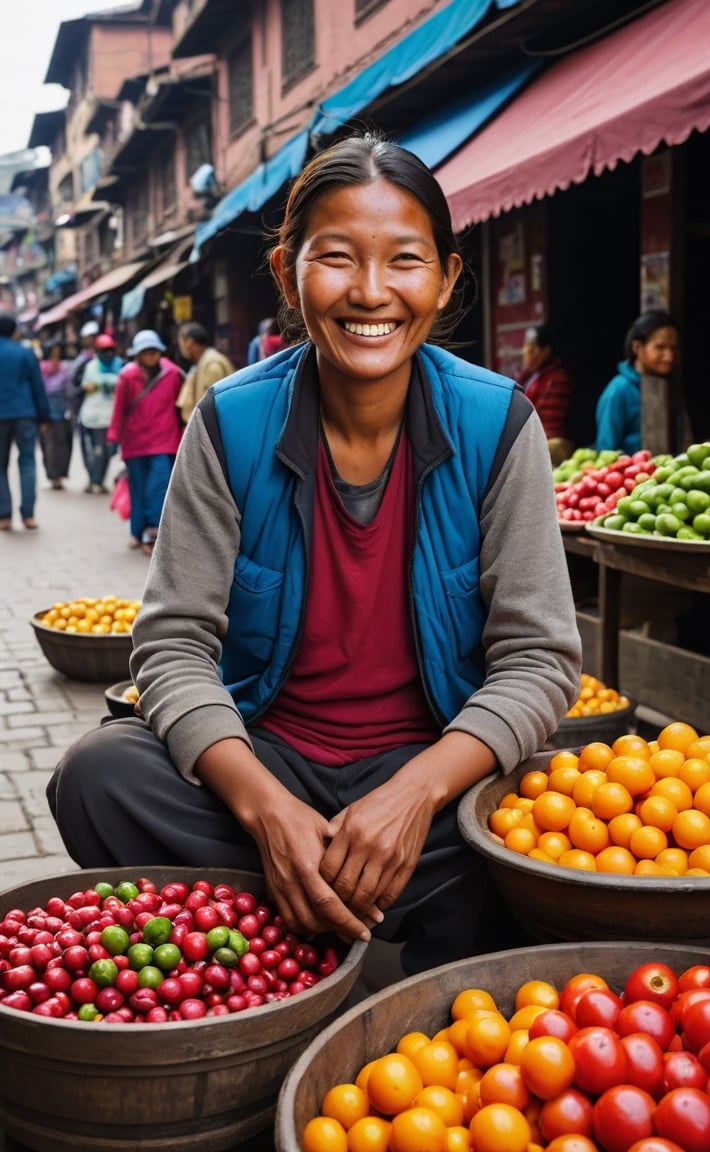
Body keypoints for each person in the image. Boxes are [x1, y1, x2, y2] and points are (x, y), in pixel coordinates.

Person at [47, 132, 581, 976]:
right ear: (288, 273)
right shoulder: (231, 421)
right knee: (100, 773)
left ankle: (287, 918)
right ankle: (311, 888)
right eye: (336, 258)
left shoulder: (498, 423)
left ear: (444, 279)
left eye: (403, 261)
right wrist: (266, 811)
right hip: (271, 754)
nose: (371, 293)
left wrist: (413, 796)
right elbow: (173, 643)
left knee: (549, 816)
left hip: (432, 770)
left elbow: (540, 657)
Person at [107, 329, 184, 553]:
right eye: (146, 353)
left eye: (154, 352)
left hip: (165, 439)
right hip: (135, 441)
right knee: (138, 488)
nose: (151, 357)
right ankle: (136, 531)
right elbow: (120, 409)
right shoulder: (127, 376)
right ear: (138, 355)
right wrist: (113, 436)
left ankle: (153, 531)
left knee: (159, 486)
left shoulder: (172, 373)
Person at [594, 309, 678, 453]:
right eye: (660, 347)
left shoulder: (668, 388)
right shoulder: (618, 390)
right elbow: (606, 451)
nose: (669, 356)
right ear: (637, 347)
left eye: (673, 348)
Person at [0, 312, 51, 531]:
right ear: (14, 330)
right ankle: (28, 515)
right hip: (26, 415)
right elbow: (38, 386)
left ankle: (4, 516)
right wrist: (44, 416)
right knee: (28, 463)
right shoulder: (25, 353)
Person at [518, 324, 575, 466]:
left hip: (546, 447)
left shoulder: (557, 379)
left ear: (546, 350)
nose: (527, 352)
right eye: (526, 346)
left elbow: (549, 427)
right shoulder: (529, 376)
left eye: (534, 348)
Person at [78, 333, 124, 493]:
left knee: (107, 451)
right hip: (92, 416)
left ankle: (97, 480)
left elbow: (119, 381)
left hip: (111, 416)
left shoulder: (120, 365)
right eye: (104, 350)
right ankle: (94, 481)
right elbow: (87, 383)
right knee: (96, 451)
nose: (108, 353)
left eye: (110, 349)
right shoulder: (91, 365)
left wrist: (100, 382)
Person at [175, 321, 235, 425]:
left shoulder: (211, 365)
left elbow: (215, 408)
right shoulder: (201, 363)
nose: (181, 349)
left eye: (180, 344)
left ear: (189, 343)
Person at [39, 337, 75, 490]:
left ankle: (59, 475)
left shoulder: (65, 369)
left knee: (63, 445)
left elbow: (69, 391)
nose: (55, 356)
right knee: (48, 446)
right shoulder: (41, 369)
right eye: (53, 353)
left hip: (62, 413)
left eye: (58, 352)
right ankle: (53, 475)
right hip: (46, 413)